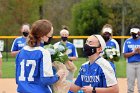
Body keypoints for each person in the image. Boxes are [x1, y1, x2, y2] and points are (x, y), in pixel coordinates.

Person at [15, 19, 65, 93]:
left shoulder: (21, 52)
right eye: (49, 35)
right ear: (42, 36)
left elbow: (17, 79)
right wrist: (58, 75)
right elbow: (46, 79)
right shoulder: (44, 53)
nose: (50, 37)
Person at [123, 25, 140, 93]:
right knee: (130, 85)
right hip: (130, 64)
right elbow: (125, 55)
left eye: (135, 33)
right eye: (132, 33)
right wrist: (134, 52)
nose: (133, 35)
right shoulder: (127, 41)